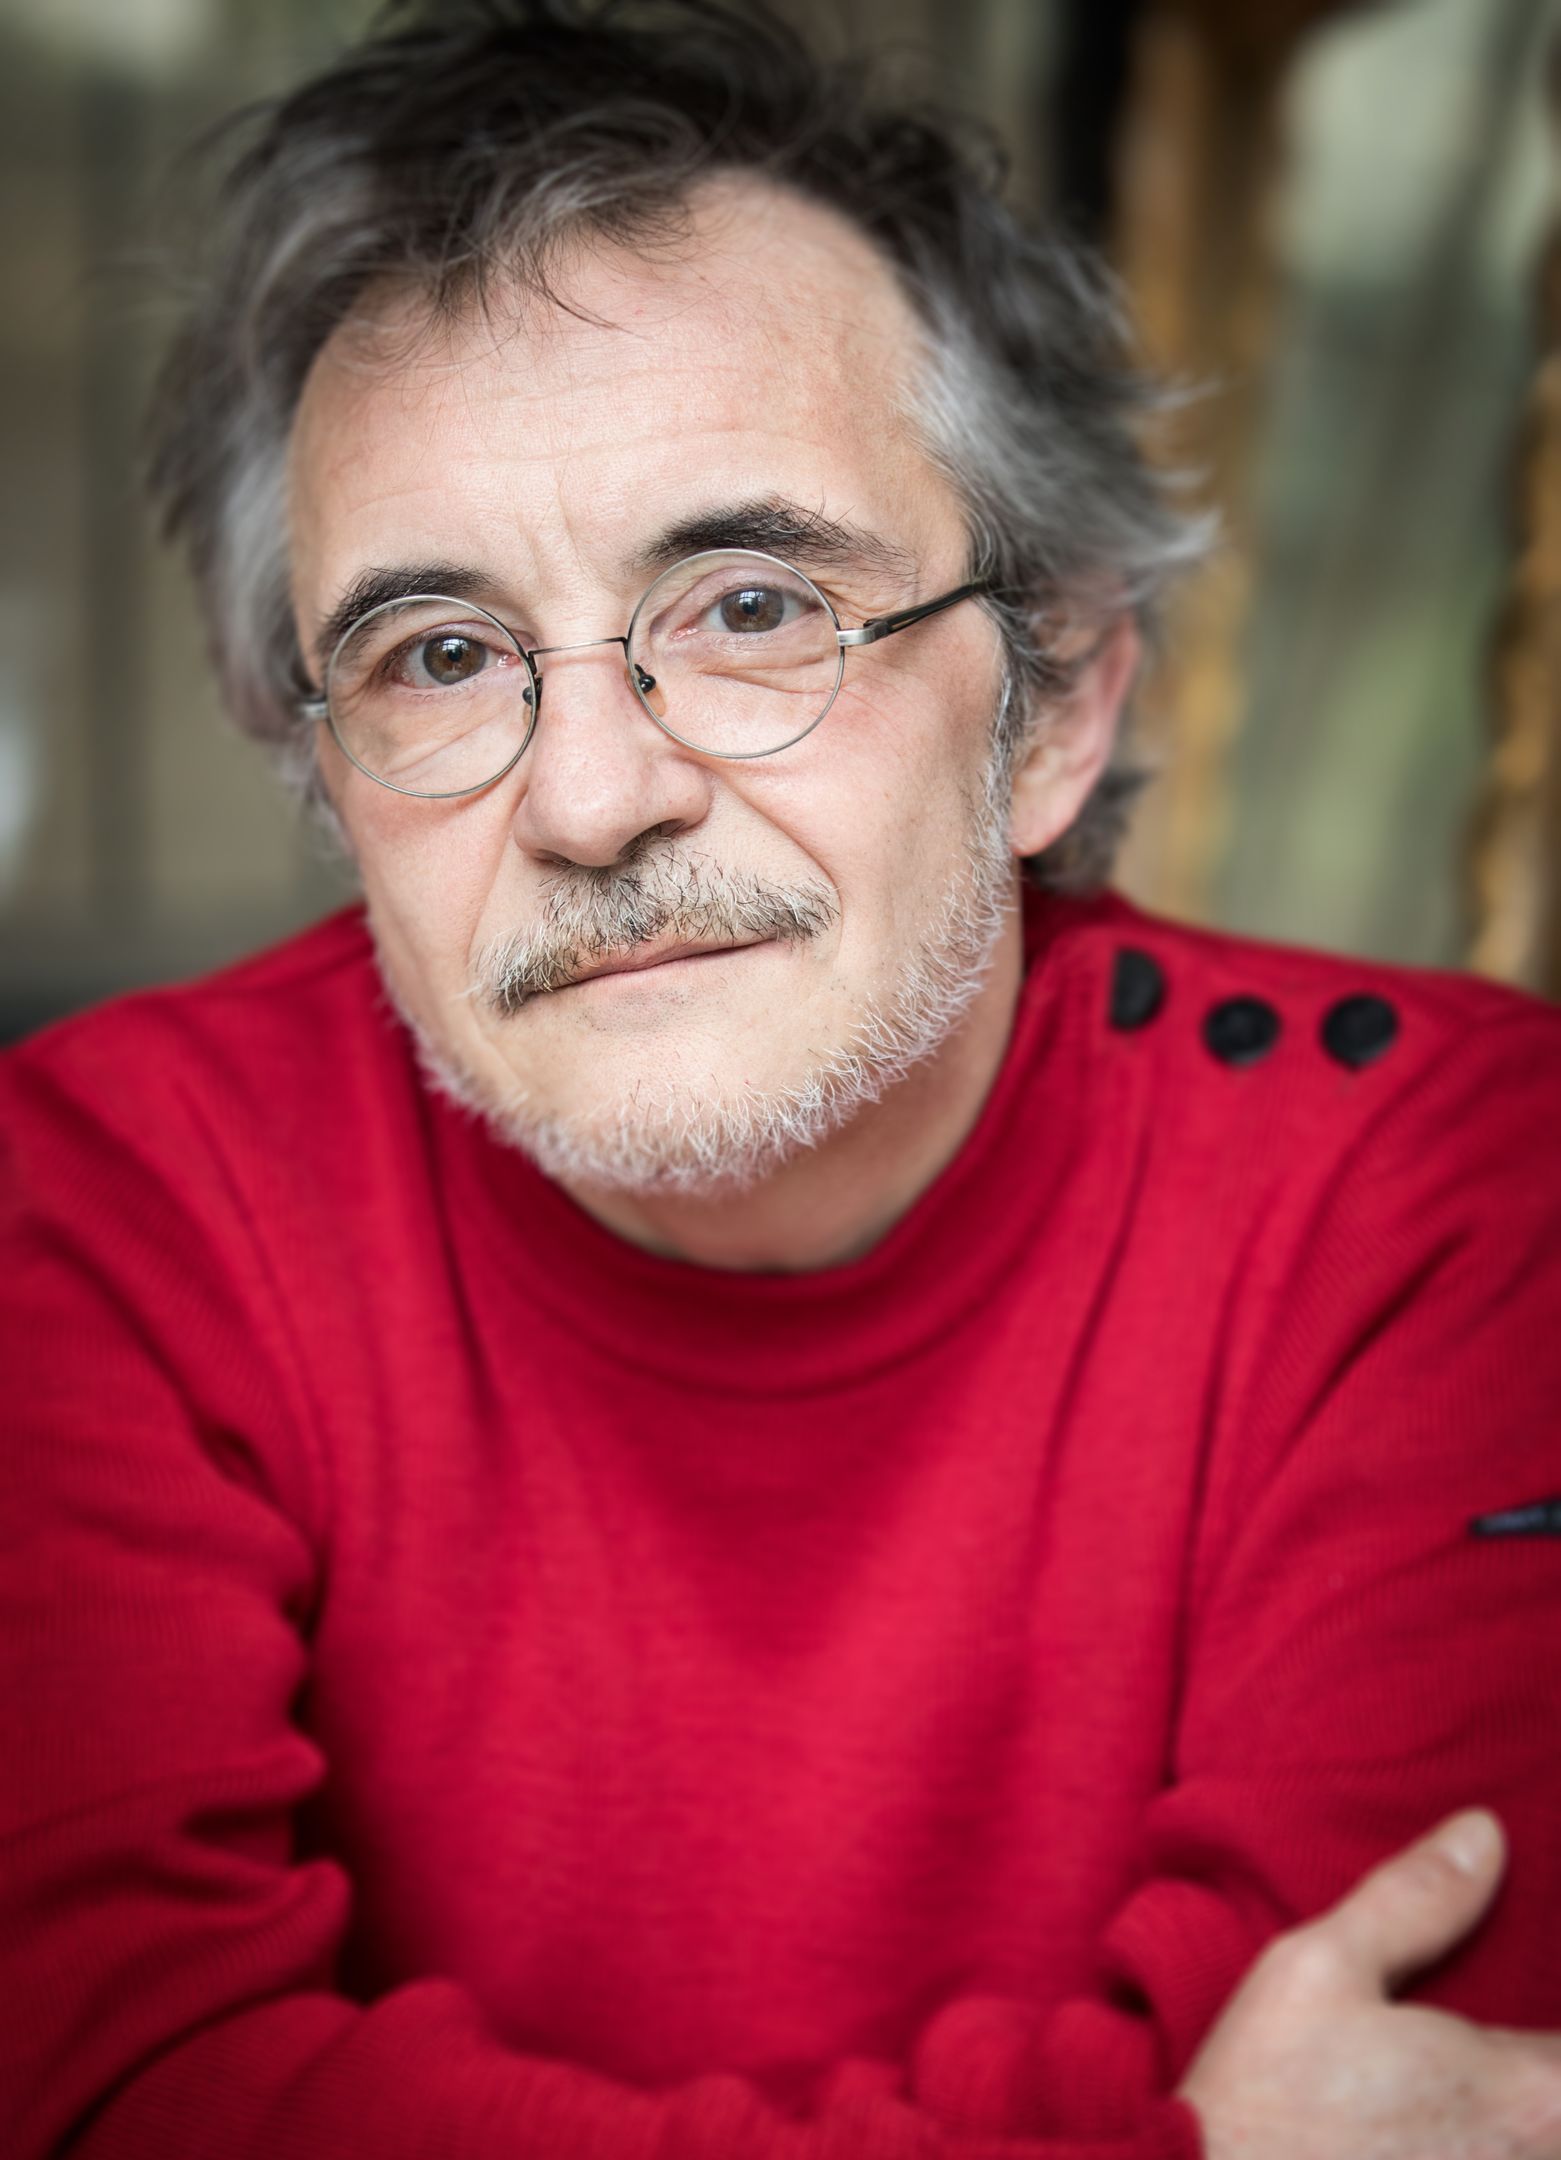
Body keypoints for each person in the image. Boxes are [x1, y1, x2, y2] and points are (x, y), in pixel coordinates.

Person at [2, 4, 1559, 2156]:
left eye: (749, 607)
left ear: (1054, 707)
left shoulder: (1459, 1185)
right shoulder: (99, 1201)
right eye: (438, 656)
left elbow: (1437, 2077)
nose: (590, 800)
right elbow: (117, 2096)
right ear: (328, 775)